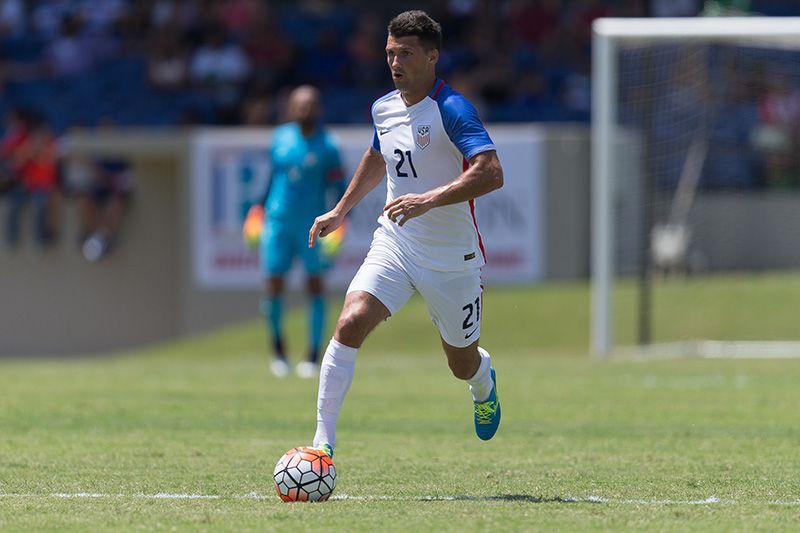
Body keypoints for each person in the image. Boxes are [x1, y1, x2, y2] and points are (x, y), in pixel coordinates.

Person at [306, 10, 504, 459]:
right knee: (351, 320)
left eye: (407, 54)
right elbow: (379, 156)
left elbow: (491, 173)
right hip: (396, 243)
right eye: (391, 53)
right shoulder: (384, 107)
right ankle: (322, 444)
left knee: (461, 362)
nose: (396, 63)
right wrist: (341, 209)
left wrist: (428, 199)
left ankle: (483, 382)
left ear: (432, 56)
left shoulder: (452, 109)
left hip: (453, 259)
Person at [254, 85, 345, 379]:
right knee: (273, 285)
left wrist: (340, 222)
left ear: (318, 109)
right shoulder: (280, 138)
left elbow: (339, 189)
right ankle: (278, 351)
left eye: (309, 105)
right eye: (299, 104)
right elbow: (271, 178)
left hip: (312, 226)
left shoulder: (328, 147)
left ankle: (312, 356)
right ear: (290, 108)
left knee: (315, 286)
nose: (304, 109)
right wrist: (257, 208)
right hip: (277, 222)